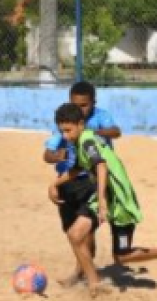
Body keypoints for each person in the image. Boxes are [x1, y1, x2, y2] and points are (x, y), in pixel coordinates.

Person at [52, 103, 157, 289]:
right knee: (75, 234)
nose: (65, 136)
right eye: (62, 131)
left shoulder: (88, 142)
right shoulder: (80, 142)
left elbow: (101, 166)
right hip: (103, 196)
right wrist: (54, 184)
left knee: (122, 256)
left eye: (68, 130)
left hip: (120, 200)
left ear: (81, 124)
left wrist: (102, 200)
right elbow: (77, 169)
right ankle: (94, 283)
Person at [42, 81, 120, 286]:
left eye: (84, 105)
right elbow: (47, 154)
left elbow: (116, 131)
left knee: (84, 231)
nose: (80, 109)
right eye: (76, 104)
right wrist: (57, 156)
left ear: (93, 102)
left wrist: (94, 133)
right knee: (71, 231)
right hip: (68, 181)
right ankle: (84, 272)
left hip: (90, 181)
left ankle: (86, 275)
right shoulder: (66, 124)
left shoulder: (98, 119)